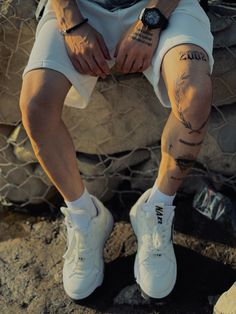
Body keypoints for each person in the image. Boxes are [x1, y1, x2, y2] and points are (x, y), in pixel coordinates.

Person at [19, 0, 214, 301]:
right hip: (78, 8)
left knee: (193, 93)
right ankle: (86, 216)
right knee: (35, 104)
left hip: (165, 5)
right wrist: (72, 23)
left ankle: (157, 207)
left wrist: (150, 22)